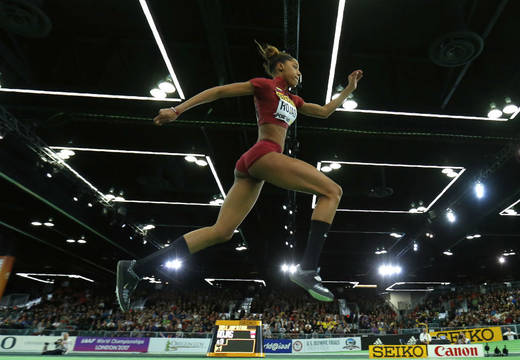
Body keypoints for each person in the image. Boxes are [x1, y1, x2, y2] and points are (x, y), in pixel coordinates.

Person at [116, 40, 363, 312]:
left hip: (252, 168)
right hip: (263, 153)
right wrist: (177, 110)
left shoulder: (293, 99)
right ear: (279, 66)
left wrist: (348, 89)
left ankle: (136, 268)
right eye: (295, 66)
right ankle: (308, 268)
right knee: (332, 191)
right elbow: (220, 91)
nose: (299, 71)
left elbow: (325, 112)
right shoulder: (264, 85)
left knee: (221, 232)